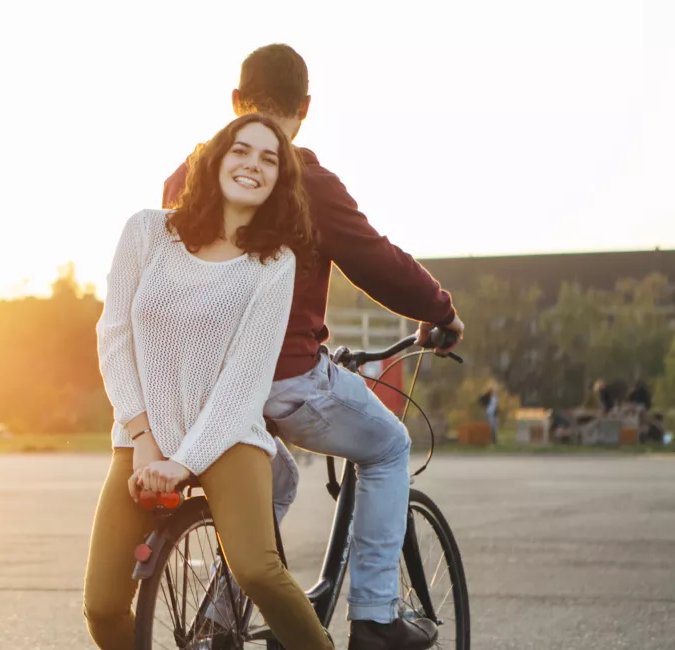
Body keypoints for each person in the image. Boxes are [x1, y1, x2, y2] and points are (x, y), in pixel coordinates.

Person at [161, 44, 464, 650]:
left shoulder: (188, 175)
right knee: (388, 446)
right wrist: (440, 310)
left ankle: (223, 621)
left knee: (273, 479)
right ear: (306, 107)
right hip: (283, 378)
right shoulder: (305, 181)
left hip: (200, 384)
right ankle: (376, 616)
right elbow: (376, 261)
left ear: (235, 101)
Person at [86, 112, 330, 650]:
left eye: (269, 159)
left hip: (226, 436)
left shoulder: (274, 263)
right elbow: (114, 335)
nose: (252, 165)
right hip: (142, 435)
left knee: (258, 572)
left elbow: (246, 378)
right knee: (102, 607)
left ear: (279, 183)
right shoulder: (148, 231)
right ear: (217, 158)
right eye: (241, 150)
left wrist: (185, 461)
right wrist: (146, 443)